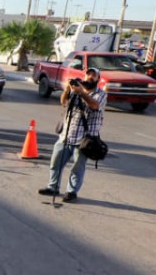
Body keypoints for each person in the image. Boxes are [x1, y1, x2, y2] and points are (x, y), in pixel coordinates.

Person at [37, 67, 107, 203]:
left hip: (84, 139)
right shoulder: (75, 90)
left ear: (98, 79)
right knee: (55, 163)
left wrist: (81, 93)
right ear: (85, 76)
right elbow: (63, 102)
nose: (90, 77)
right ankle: (53, 187)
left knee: (77, 168)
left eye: (94, 76)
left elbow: (94, 106)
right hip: (66, 135)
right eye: (88, 75)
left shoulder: (101, 94)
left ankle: (71, 192)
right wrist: (68, 90)